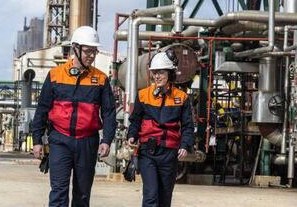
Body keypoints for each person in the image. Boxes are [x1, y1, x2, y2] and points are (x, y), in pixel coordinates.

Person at [32, 26, 116, 207]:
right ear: (75, 48)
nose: (92, 56)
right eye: (88, 51)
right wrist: (37, 140)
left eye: (94, 51)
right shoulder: (55, 75)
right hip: (60, 140)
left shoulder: (101, 79)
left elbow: (109, 113)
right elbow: (42, 109)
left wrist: (107, 140)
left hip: (87, 142)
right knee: (58, 192)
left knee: (83, 195)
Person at [127, 49, 194, 207]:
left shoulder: (181, 98)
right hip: (147, 153)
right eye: (155, 72)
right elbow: (135, 120)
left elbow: (187, 126)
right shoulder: (143, 95)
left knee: (165, 198)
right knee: (151, 196)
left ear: (170, 74)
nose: (157, 76)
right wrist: (132, 135)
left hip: (169, 154)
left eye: (161, 72)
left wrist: (185, 145)